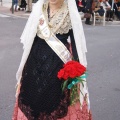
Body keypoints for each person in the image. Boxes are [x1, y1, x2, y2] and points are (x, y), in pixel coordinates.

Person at [12, 0, 92, 119]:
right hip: (35, 63)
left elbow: (77, 45)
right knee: (33, 98)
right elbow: (31, 41)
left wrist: (76, 71)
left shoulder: (70, 13)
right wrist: (25, 68)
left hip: (58, 65)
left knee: (54, 101)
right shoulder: (39, 9)